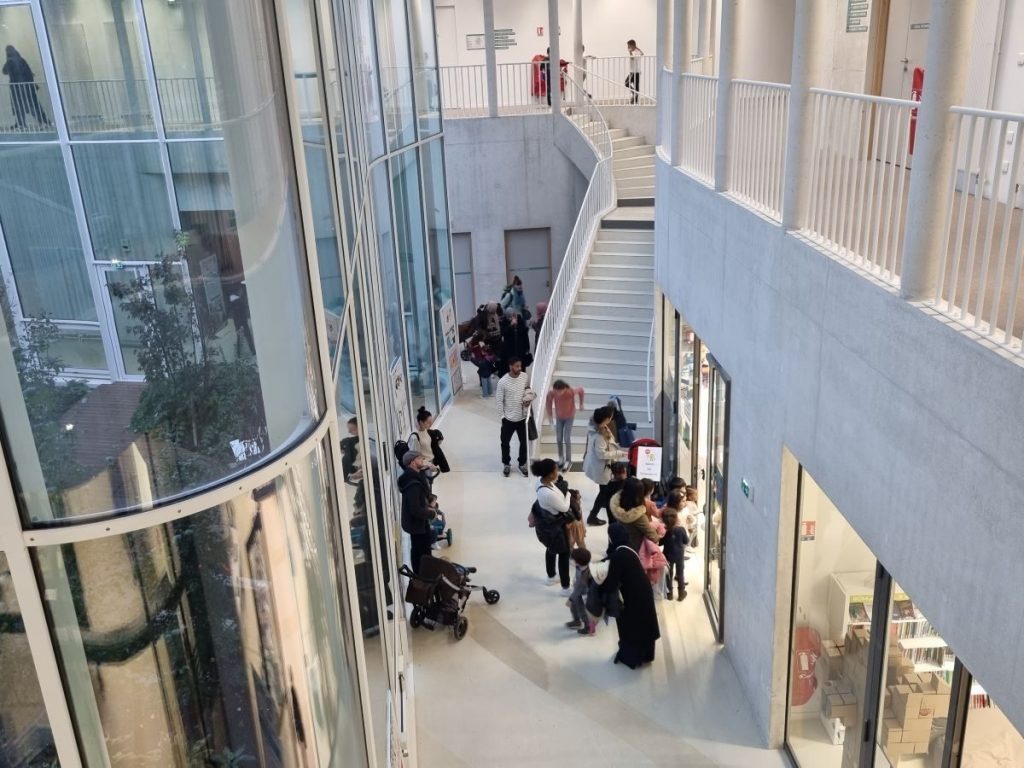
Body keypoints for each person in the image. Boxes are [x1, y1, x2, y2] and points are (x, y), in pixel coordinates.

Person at [604, 524, 660, 668]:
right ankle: (646, 655)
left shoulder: (618, 555)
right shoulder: (628, 547)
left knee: (631, 626)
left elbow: (611, 582)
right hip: (643, 591)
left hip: (631, 596)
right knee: (644, 623)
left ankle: (631, 658)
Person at [532, 458, 579, 591]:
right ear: (550, 474)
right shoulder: (547, 493)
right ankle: (565, 588)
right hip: (555, 527)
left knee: (551, 549)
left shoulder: (541, 482)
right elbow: (564, 508)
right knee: (564, 554)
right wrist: (569, 495)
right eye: (555, 470)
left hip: (547, 524)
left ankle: (551, 577)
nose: (558, 471)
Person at [582, 406, 625, 525]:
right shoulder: (600, 435)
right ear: (606, 419)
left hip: (601, 466)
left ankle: (598, 513)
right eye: (610, 417)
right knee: (604, 492)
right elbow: (601, 454)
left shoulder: (596, 427)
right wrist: (619, 453)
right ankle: (594, 516)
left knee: (604, 491)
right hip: (602, 467)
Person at [398, 451, 437, 574]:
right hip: (417, 525)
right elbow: (416, 509)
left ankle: (423, 576)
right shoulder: (413, 483)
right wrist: (432, 513)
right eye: (421, 459)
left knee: (420, 551)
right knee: (421, 554)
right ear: (413, 461)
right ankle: (423, 578)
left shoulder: (416, 477)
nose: (423, 461)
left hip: (418, 525)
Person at [495, 356, 533, 477]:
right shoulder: (502, 382)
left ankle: (522, 464)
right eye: (517, 366)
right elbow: (499, 400)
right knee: (505, 442)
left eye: (520, 366)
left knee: (524, 443)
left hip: (522, 418)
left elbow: (527, 389)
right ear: (510, 366)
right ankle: (506, 464)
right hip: (508, 419)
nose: (519, 368)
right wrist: (502, 416)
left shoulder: (524, 376)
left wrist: (528, 399)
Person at [610, 477, 661, 552]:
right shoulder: (639, 516)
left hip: (622, 544)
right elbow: (653, 536)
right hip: (637, 548)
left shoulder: (616, 506)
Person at [3, 45, 48, 129]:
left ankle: (21, 124)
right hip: (27, 87)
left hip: (18, 88)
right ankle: (43, 121)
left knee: (20, 106)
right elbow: (29, 72)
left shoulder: (10, 61)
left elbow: (4, 71)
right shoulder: (21, 59)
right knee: (32, 105)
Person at [545, 379, 585, 471]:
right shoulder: (552, 393)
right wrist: (550, 419)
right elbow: (548, 404)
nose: (558, 393)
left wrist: (581, 404)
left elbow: (581, 390)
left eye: (560, 391)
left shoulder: (570, 391)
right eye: (557, 391)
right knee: (559, 438)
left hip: (569, 417)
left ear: (564, 389)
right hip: (559, 417)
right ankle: (561, 458)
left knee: (566, 438)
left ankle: (568, 460)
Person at [407, 406, 450, 475]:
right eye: (428, 422)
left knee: (429, 484)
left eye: (431, 421)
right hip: (422, 468)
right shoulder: (415, 437)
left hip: (430, 465)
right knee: (426, 484)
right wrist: (428, 465)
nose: (431, 424)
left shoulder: (427, 431)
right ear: (421, 422)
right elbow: (415, 457)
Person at [661, 508, 690, 601]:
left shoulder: (664, 531)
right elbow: (686, 541)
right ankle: (681, 593)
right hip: (679, 555)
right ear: (676, 518)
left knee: (668, 574)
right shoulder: (681, 529)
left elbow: (660, 543)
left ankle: (669, 594)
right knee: (680, 574)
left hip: (667, 555)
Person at [566, 548, 595, 635]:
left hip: (585, 594)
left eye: (573, 559)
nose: (571, 560)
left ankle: (589, 628)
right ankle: (576, 621)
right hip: (579, 592)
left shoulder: (584, 575)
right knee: (574, 607)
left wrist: (570, 599)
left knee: (584, 612)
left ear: (578, 562)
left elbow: (578, 589)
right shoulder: (580, 566)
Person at [340, 417, 360, 484]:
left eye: (352, 429)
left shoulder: (348, 441)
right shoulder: (347, 441)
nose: (349, 431)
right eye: (349, 429)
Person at [626, 39, 644, 105]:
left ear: (632, 45)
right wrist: (636, 48)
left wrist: (630, 52)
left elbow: (632, 58)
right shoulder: (637, 51)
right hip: (636, 71)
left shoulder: (636, 52)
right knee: (636, 86)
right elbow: (642, 53)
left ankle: (635, 96)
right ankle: (635, 100)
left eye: (629, 46)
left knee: (626, 83)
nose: (628, 48)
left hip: (634, 72)